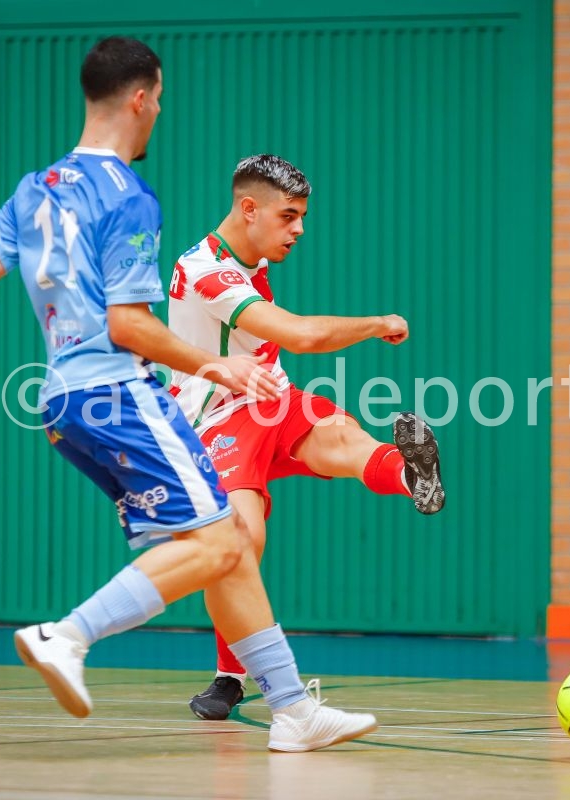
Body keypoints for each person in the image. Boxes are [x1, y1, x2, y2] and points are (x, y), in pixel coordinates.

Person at [0, 37, 377, 753]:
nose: (160, 113)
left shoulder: (34, 189)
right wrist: (216, 367)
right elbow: (129, 325)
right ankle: (67, 635)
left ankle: (293, 710)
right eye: (161, 100)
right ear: (140, 99)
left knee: (225, 543)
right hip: (119, 393)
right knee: (219, 541)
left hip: (61, 403)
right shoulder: (128, 198)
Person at [167, 154, 446, 721]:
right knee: (240, 543)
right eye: (289, 216)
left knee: (343, 436)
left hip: (273, 398)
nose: (299, 229)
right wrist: (378, 323)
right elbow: (297, 334)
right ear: (249, 209)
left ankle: (411, 473)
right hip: (217, 417)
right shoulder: (206, 270)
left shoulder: (253, 259)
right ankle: (233, 676)